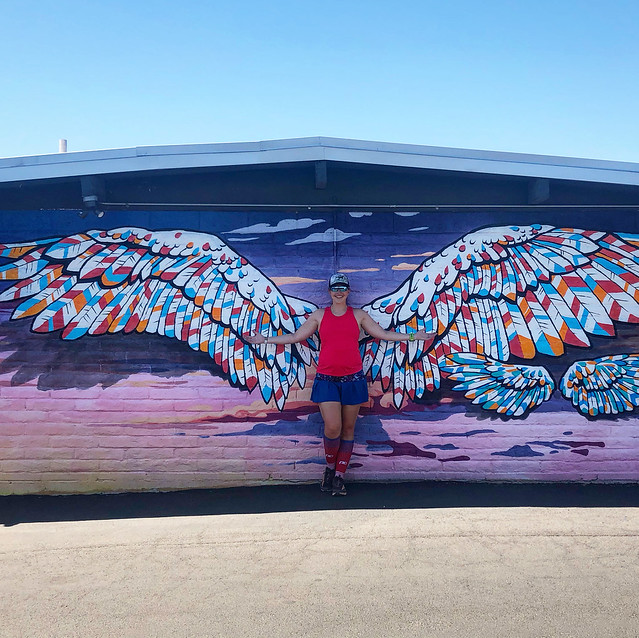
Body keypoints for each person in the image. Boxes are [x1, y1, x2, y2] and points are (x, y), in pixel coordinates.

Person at [245, 273, 436, 496]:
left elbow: (383, 334)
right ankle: (329, 468)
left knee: (348, 429)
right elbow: (296, 337)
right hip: (326, 381)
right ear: (329, 291)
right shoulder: (319, 316)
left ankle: (339, 476)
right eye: (335, 288)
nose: (339, 292)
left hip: (353, 380)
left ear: (348, 291)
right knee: (333, 427)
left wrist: (414, 337)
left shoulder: (359, 315)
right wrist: (265, 340)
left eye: (342, 288)